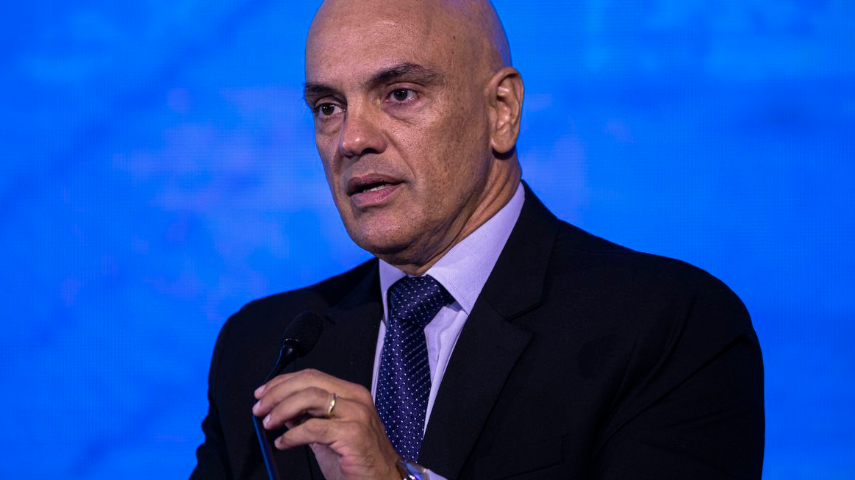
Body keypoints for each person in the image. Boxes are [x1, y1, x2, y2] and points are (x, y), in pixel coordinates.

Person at [190, 0, 765, 479]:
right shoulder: (262, 348)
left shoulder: (668, 325)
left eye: (400, 93)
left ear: (501, 111)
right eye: (328, 107)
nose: (352, 139)